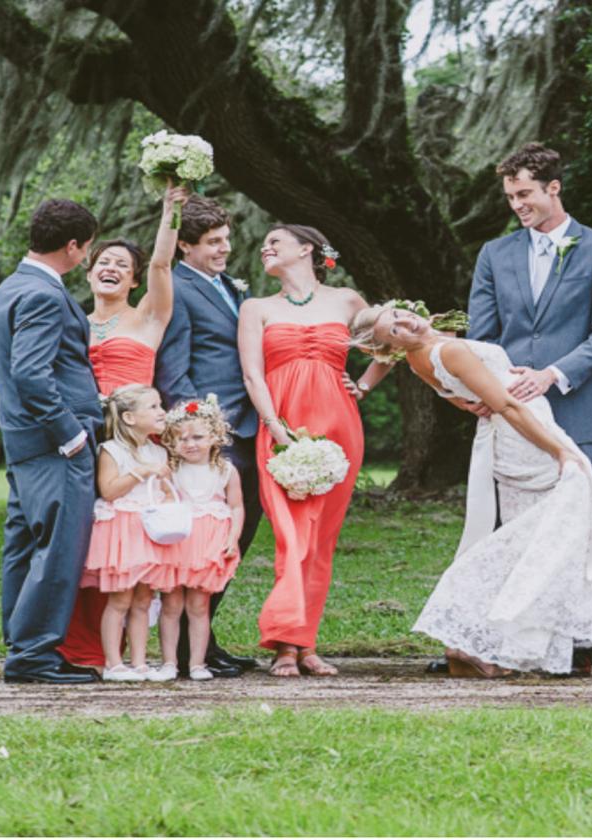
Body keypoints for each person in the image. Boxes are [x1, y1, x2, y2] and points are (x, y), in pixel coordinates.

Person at [350, 305, 592, 676]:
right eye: (395, 330)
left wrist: (471, 400)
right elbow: (507, 404)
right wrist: (560, 451)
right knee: (552, 534)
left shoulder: (419, 356)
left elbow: (452, 391)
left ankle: (496, 642)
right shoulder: (445, 351)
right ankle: (504, 640)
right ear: (390, 346)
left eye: (400, 314)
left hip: (511, 433)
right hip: (526, 435)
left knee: (539, 536)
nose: (407, 322)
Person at [238, 224, 389, 677]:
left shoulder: (346, 301)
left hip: (337, 426)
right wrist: (274, 427)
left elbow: (389, 345)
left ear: (307, 249)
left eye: (275, 241)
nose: (266, 247)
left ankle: (305, 646)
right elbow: (252, 376)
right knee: (291, 535)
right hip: (281, 425)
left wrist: (362, 385)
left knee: (320, 538)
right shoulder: (257, 308)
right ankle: (285, 643)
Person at [58, 183, 186, 670]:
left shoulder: (149, 319)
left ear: (134, 281)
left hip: (131, 441)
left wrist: (170, 212)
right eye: (103, 263)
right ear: (89, 273)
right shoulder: (73, 320)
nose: (110, 269)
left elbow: (161, 266)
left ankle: (126, 651)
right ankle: (75, 642)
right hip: (82, 437)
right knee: (82, 535)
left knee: (127, 540)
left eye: (121, 266)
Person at [0, 198, 103, 685]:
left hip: (24, 441)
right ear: (72, 246)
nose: (89, 257)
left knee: (25, 543)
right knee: (58, 547)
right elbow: (32, 375)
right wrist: (70, 433)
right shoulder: (43, 294)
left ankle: (22, 641)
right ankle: (33, 655)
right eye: (89, 247)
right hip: (54, 443)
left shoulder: (12, 286)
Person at [466, 142, 592, 483]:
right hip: (512, 409)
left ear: (553, 187)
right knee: (516, 522)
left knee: (582, 518)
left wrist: (551, 374)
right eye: (510, 197)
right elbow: (481, 336)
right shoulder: (494, 254)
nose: (517, 205)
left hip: (580, 409)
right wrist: (491, 388)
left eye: (524, 193)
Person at [155, 194, 261, 678]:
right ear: (184, 246)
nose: (225, 248)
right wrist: (200, 436)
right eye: (214, 242)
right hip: (215, 437)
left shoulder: (227, 286)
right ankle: (184, 649)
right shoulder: (176, 289)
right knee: (206, 542)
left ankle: (203, 641)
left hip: (247, 426)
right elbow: (174, 373)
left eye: (226, 238)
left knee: (231, 538)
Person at [84, 384, 175, 682]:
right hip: (123, 533)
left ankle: (139, 662)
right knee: (120, 600)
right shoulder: (111, 450)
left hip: (150, 531)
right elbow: (108, 491)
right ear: (129, 418)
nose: (162, 412)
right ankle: (113, 663)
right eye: (153, 407)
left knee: (143, 600)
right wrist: (141, 471)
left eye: (160, 405)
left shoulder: (159, 451)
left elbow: (167, 492)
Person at [158, 395, 245, 681]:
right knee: (171, 605)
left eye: (197, 437)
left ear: (215, 436)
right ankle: (169, 662)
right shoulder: (171, 469)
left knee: (198, 606)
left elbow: (236, 507)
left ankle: (197, 663)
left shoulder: (225, 470)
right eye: (181, 438)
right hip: (178, 541)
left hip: (208, 543)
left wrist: (233, 539)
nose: (190, 443)